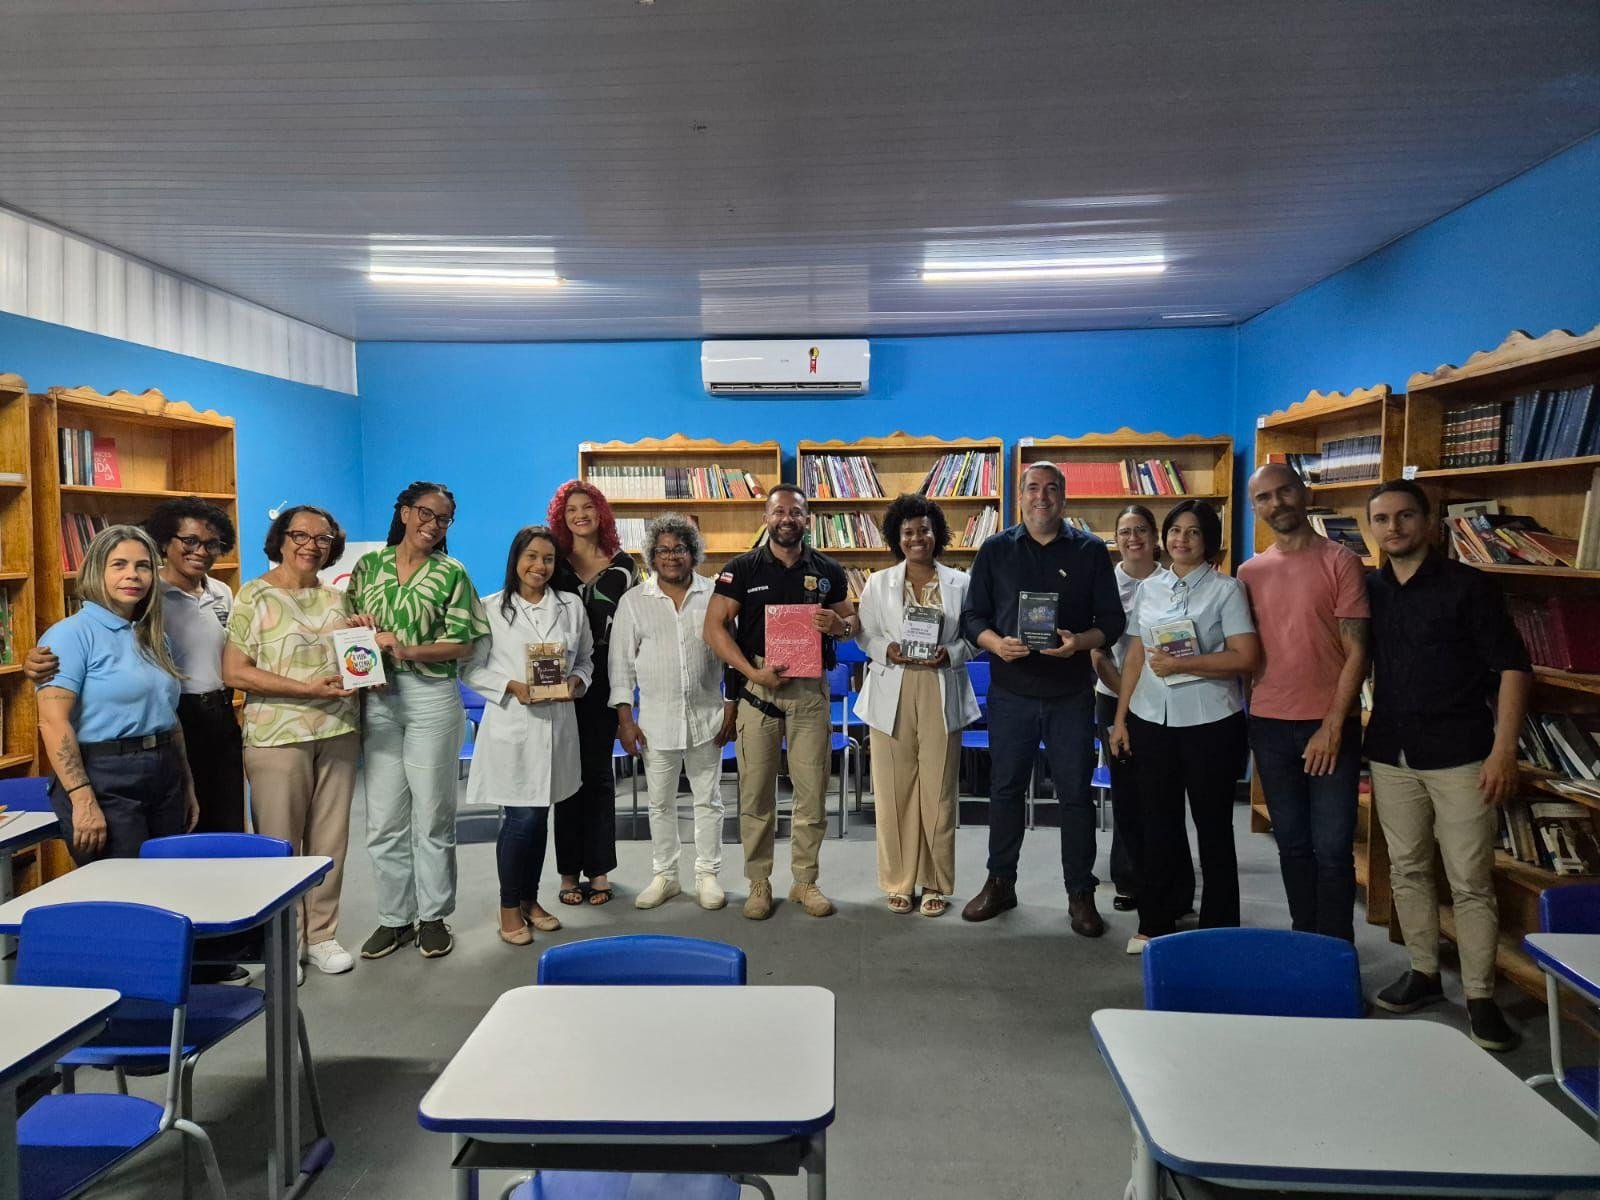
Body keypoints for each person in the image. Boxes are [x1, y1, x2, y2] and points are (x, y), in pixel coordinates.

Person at [1363, 480, 1529, 1051]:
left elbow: (1512, 668)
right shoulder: (1370, 589)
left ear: (1429, 521)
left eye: (1404, 516)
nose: (1393, 528)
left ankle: (1480, 996)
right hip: (1391, 753)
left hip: (1462, 754)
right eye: (1381, 519)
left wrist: (1504, 749)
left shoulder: (1471, 587)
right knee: (1407, 869)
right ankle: (1424, 973)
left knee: (1470, 879)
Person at [958, 462, 1125, 935]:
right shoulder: (995, 550)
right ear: (1020, 495)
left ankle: (1080, 893)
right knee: (1005, 791)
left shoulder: (1091, 551)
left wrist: (1081, 642)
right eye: (1033, 487)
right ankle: (1000, 882)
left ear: (1064, 496)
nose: (1042, 496)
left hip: (1070, 694)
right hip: (1011, 693)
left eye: (1052, 488)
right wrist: (993, 642)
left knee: (1075, 796)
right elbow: (973, 615)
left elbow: (1111, 621)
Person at [29, 497, 242, 832]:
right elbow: (56, 714)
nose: (200, 550)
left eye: (211, 543)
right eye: (189, 541)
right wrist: (82, 798)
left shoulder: (161, 625)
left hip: (183, 733)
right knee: (127, 870)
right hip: (118, 757)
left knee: (209, 840)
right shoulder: (97, 621)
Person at [345, 480, 489, 962]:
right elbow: (349, 628)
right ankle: (393, 918)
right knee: (383, 818)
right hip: (379, 698)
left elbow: (465, 642)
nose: (433, 525)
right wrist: (360, 640)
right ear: (404, 512)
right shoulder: (368, 568)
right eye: (425, 514)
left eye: (443, 519)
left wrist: (404, 649)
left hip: (431, 696)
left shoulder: (452, 572)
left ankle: (433, 916)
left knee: (432, 815)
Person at [1108, 501, 1260, 954]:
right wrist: (1121, 719)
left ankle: (1219, 926)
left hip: (1210, 722)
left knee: (1213, 827)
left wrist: (1186, 664)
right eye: (1175, 531)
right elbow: (1135, 654)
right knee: (1156, 825)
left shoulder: (1227, 590)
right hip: (1151, 720)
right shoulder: (1149, 588)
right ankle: (1154, 922)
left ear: (1208, 541)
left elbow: (1245, 656)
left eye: (1193, 533)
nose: (1181, 540)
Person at [703, 484, 857, 920]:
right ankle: (758, 881)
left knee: (812, 794)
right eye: (779, 512)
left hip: (810, 693)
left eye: (796, 512)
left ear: (808, 519)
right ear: (766, 517)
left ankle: (805, 883)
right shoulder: (742, 568)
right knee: (755, 795)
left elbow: (851, 622)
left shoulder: (827, 569)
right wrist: (751, 673)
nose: (787, 519)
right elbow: (713, 628)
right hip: (758, 691)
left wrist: (838, 626)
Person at [222, 505, 362, 978]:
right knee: (280, 843)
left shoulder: (337, 599)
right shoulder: (254, 596)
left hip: (338, 732)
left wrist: (367, 664)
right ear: (280, 539)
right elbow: (234, 671)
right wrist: (306, 690)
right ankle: (286, 942)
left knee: (329, 842)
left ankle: (322, 935)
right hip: (277, 736)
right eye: (300, 535)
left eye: (322, 538)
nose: (311, 545)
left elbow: (351, 664)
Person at [1238, 463, 1370, 942]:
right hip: (1270, 725)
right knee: (1291, 844)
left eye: (1285, 491)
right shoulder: (1248, 572)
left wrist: (1334, 725)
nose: (1277, 504)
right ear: (1255, 507)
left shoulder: (1341, 561)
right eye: (1265, 498)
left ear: (1304, 493)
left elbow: (1358, 649)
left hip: (1328, 725)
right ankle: (1303, 941)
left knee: (1333, 847)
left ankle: (1335, 950)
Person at [35, 525, 197, 862]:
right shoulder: (70, 635)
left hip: (163, 771)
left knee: (172, 887)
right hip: (104, 776)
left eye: (143, 566)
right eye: (119, 564)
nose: (133, 575)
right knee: (124, 896)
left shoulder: (152, 636)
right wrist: (82, 799)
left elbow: (169, 715)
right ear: (96, 570)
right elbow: (53, 723)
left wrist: (187, 784)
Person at [464, 525, 593, 946]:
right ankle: (508, 906)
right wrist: (512, 687)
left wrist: (577, 681)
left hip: (557, 727)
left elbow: (587, 660)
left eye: (549, 559)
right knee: (520, 820)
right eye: (532, 557)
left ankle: (530, 901)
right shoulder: (490, 608)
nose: (540, 566)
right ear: (516, 559)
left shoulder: (570, 606)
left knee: (539, 819)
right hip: (513, 729)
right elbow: (471, 669)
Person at [854, 494, 981, 916]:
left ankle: (935, 882)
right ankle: (899, 881)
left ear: (937, 533)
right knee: (893, 792)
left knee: (939, 792)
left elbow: (975, 636)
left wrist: (954, 653)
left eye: (924, 530)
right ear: (897, 537)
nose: (916, 538)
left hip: (941, 686)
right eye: (907, 532)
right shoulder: (877, 583)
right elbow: (865, 635)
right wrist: (886, 649)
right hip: (892, 687)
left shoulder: (962, 583)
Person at [611, 514, 737, 911]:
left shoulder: (716, 594)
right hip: (655, 723)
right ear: (652, 555)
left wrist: (731, 705)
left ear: (692, 553)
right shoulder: (634, 602)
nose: (671, 557)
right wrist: (625, 719)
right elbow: (620, 666)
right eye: (663, 550)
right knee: (660, 803)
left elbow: (735, 657)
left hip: (707, 716)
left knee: (709, 799)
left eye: (679, 549)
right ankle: (665, 875)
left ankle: (707, 875)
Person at [1090, 504, 1193, 915]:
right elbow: (1099, 654)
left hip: (1168, 703)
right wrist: (1129, 700)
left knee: (1168, 796)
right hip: (1114, 698)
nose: (1134, 538)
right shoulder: (1102, 583)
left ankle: (1174, 882)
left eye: (1142, 530)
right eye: (1125, 531)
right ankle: (1130, 879)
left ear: (1156, 537)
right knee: (1127, 794)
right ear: (1116, 539)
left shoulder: (1174, 581)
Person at [548, 480, 640, 906]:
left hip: (605, 681)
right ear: (561, 518)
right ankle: (568, 873)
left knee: (599, 778)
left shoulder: (626, 567)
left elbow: (633, 629)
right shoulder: (553, 563)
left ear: (600, 513)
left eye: (587, 507)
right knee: (566, 779)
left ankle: (599, 870)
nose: (579, 515)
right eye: (571, 510)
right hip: (557, 681)